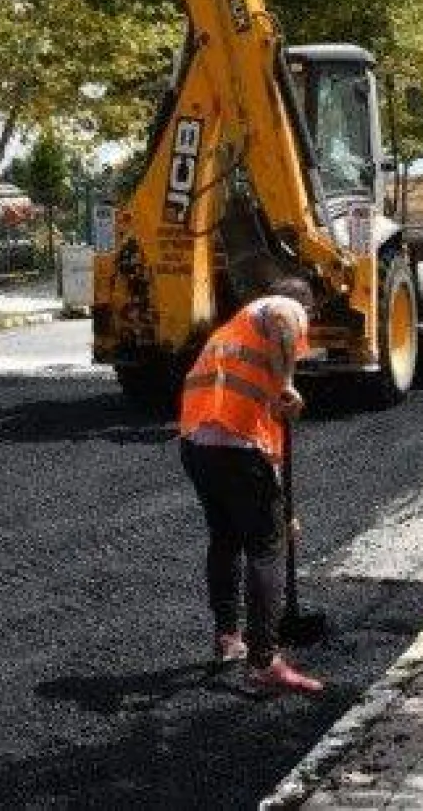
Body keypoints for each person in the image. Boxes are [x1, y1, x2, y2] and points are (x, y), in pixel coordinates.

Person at [178, 282, 324, 696]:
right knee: (266, 547)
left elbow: (268, 447)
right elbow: (283, 315)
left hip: (196, 445)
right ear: (306, 308)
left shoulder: (232, 332)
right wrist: (287, 385)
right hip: (235, 446)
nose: (302, 334)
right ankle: (264, 662)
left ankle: (230, 639)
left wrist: (283, 509)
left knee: (225, 537)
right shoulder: (282, 307)